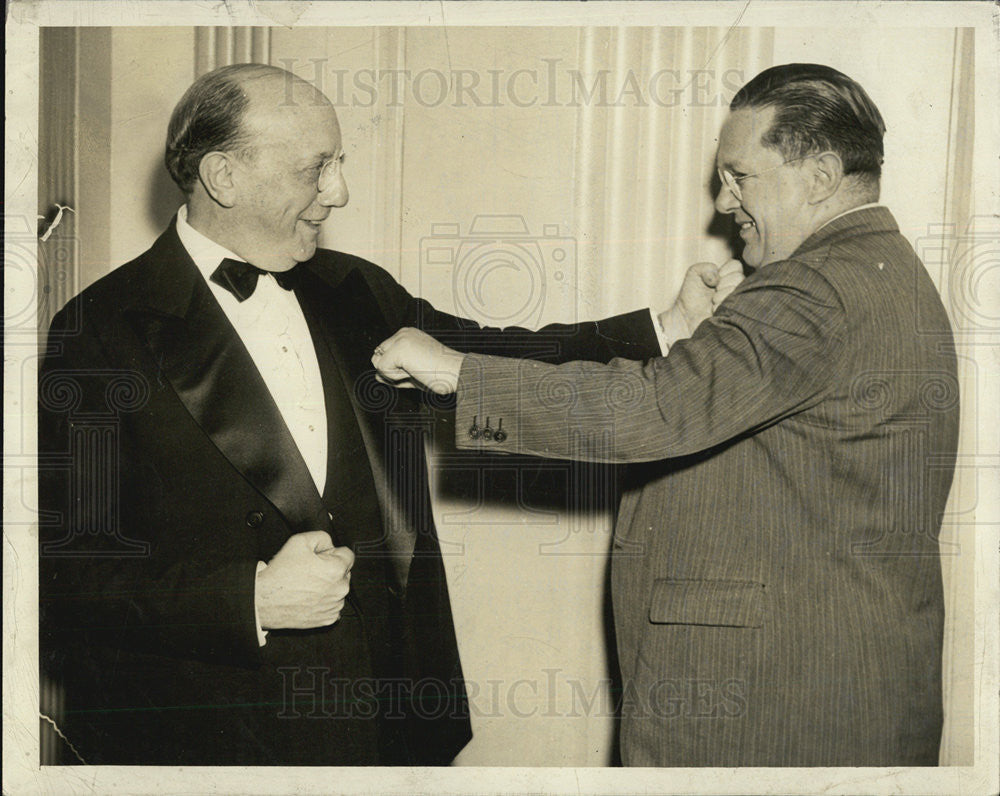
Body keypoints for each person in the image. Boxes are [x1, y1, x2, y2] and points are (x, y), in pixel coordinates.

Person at [38, 63, 739, 766]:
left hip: (386, 716)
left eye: (338, 165)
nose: (338, 193)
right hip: (213, 738)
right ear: (224, 177)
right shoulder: (100, 330)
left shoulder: (355, 289)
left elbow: (499, 357)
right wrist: (247, 599)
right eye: (317, 169)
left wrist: (666, 327)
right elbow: (60, 579)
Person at [373, 63, 960, 766]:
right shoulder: (872, 271)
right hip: (824, 687)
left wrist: (458, 374)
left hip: (773, 709)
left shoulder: (812, 289)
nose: (723, 199)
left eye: (741, 175)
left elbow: (655, 408)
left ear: (822, 176)